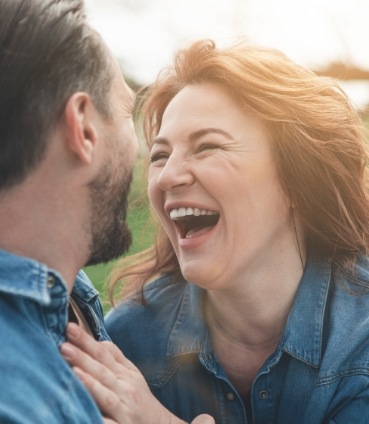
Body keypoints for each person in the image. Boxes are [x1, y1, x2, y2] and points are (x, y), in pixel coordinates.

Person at [63, 39, 369, 423]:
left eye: (207, 147)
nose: (169, 176)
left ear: (297, 178)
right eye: (160, 155)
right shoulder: (126, 345)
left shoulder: (361, 339)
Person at [0, 1, 215, 423]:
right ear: (83, 127)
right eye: (125, 113)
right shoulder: (22, 404)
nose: (150, 161)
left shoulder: (68, 295)